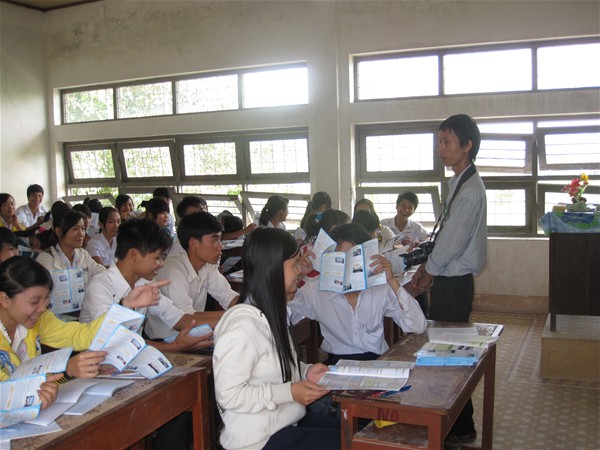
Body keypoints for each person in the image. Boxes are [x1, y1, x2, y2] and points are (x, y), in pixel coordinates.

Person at [213, 227, 339, 450]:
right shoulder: (242, 326)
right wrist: (289, 392)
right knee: (353, 443)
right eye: (295, 264)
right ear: (272, 269)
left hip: (285, 422)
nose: (299, 271)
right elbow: (229, 395)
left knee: (352, 433)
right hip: (257, 441)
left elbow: (271, 368)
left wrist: (305, 371)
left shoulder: (272, 312)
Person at [0, 256, 165, 413]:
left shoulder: (40, 320)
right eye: (34, 302)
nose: (42, 308)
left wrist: (125, 306)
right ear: (4, 299)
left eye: (46, 300)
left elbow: (83, 335)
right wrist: (67, 370)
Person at [411, 113, 487, 445]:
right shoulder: (458, 181)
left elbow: (452, 242)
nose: (440, 148)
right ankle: (460, 424)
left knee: (449, 355)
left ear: (467, 145)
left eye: (446, 142)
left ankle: (460, 426)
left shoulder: (469, 190)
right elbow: (445, 237)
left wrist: (427, 272)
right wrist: (427, 266)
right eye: (439, 141)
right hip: (449, 278)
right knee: (447, 352)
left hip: (454, 283)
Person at [289, 223, 426, 365]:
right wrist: (298, 276)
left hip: (376, 361)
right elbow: (286, 318)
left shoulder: (379, 287)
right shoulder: (315, 289)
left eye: (354, 259)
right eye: (341, 259)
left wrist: (392, 281)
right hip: (337, 363)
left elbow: (418, 325)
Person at [80, 218, 221, 351]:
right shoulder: (100, 287)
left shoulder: (144, 283)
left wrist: (228, 318)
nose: (161, 264)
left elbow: (176, 317)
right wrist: (173, 347)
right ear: (134, 254)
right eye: (157, 258)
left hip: (132, 356)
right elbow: (115, 340)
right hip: (99, 360)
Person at [150, 212, 238, 340]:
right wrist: (236, 315)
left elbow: (228, 296)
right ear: (194, 243)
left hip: (194, 333)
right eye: (215, 240)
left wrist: (251, 309)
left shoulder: (207, 265)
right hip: (167, 340)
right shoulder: (173, 270)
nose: (221, 246)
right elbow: (185, 319)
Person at [36, 210, 106, 289]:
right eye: (75, 229)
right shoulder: (46, 259)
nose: (81, 234)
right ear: (58, 232)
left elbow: (102, 273)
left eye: (83, 228)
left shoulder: (83, 254)